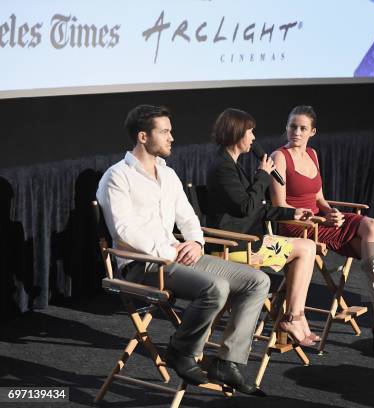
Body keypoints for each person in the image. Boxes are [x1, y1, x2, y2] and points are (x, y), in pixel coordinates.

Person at [96, 105, 268, 396]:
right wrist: (170, 249)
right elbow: (123, 232)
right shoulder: (117, 177)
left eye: (170, 131)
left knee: (257, 280)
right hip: (143, 265)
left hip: (176, 257)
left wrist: (196, 242)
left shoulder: (169, 174)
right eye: (164, 132)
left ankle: (228, 361)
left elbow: (188, 218)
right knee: (216, 287)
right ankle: (181, 349)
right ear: (142, 136)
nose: (171, 137)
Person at [269, 105, 374, 356]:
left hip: (318, 221)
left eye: (303, 128)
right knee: (370, 250)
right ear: (287, 128)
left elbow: (320, 198)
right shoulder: (280, 157)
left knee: (372, 228)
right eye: (293, 127)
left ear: (313, 131)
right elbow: (280, 206)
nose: (297, 132)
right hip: (297, 226)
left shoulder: (312, 154)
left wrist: (330, 212)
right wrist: (320, 220)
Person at [205, 108, 319, 347]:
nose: (254, 138)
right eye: (250, 132)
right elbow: (246, 208)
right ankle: (293, 318)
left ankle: (294, 316)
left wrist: (292, 213)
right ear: (237, 133)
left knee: (307, 247)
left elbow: (256, 208)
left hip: (248, 243)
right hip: (237, 247)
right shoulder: (222, 167)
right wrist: (263, 176)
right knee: (306, 249)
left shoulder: (231, 165)